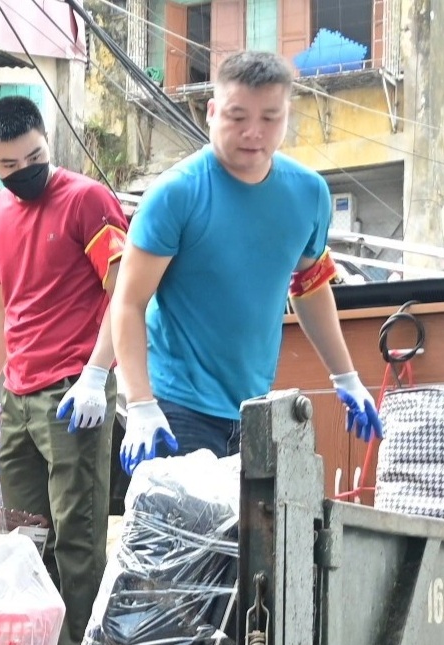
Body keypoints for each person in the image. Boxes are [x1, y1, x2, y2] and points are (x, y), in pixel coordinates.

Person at [112, 50, 382, 474]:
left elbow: (309, 286)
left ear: (287, 115)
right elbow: (128, 302)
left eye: (270, 118)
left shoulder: (309, 194)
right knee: (184, 539)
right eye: (238, 117)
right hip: (176, 407)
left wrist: (345, 376)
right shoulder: (176, 194)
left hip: (256, 411)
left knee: (251, 539)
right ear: (212, 111)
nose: (253, 132)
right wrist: (140, 403)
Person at [0, 94, 129, 645]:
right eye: (9, 164)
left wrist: (97, 375)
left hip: (72, 394)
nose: (24, 169)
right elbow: (1, 306)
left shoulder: (86, 199)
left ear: (47, 141)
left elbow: (124, 292)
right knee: (26, 541)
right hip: (18, 397)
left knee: (77, 537)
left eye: (34, 156)